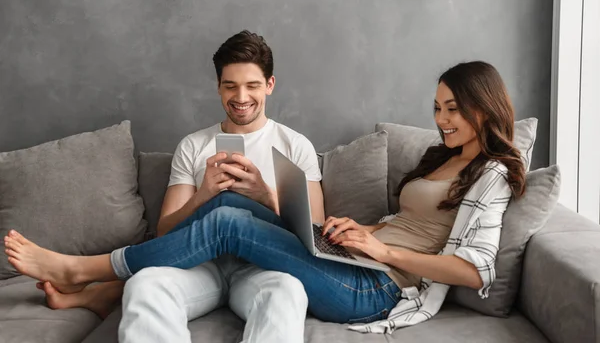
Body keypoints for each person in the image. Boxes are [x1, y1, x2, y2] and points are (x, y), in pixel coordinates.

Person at [4, 61, 526, 331]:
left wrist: (382, 250)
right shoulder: (444, 158)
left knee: (228, 222)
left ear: (485, 106)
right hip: (354, 259)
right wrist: (360, 233)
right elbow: (412, 221)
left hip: (378, 288)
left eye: (453, 108)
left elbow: (476, 269)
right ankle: (105, 291)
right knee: (228, 202)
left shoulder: (494, 174)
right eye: (437, 107)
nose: (441, 120)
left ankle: (87, 270)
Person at [21, 30, 326, 343]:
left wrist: (265, 196)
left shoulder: (294, 146)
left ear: (270, 85)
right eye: (230, 86)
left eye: (253, 86)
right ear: (218, 87)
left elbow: (314, 238)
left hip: (262, 270)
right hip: (199, 266)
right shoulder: (194, 145)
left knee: (288, 291)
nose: (241, 97)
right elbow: (166, 231)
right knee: (146, 284)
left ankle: (91, 276)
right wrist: (204, 195)